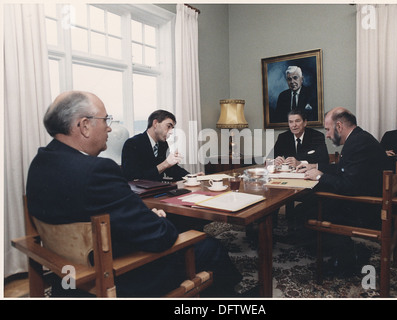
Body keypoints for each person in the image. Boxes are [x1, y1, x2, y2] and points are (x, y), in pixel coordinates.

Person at [26, 91, 242, 297]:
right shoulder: (98, 170)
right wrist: (156, 219)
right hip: (121, 276)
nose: (109, 129)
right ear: (84, 126)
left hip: (71, 275)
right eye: (105, 120)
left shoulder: (40, 163)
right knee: (210, 246)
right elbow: (161, 236)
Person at [297, 107, 391, 276]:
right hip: (369, 199)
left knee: (305, 212)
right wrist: (316, 166)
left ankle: (344, 260)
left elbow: (348, 185)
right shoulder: (359, 138)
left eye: (327, 129)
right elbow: (343, 169)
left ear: (339, 126)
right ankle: (346, 251)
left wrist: (319, 177)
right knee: (311, 202)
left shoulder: (357, 143)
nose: (326, 134)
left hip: (366, 209)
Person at [271, 108, 329, 234]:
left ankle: (299, 230)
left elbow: (324, 160)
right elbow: (272, 158)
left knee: (307, 205)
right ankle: (269, 229)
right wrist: (276, 160)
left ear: (305, 122)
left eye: (297, 121)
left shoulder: (317, 136)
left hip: (308, 181)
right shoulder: (283, 137)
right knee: (271, 198)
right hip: (286, 181)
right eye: (291, 122)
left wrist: (300, 162)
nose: (294, 125)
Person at [121, 110, 190, 182]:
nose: (171, 132)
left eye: (172, 128)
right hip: (139, 192)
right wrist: (165, 164)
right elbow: (133, 177)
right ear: (155, 123)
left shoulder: (163, 144)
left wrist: (191, 177)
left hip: (158, 190)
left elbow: (172, 169)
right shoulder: (132, 144)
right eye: (168, 126)